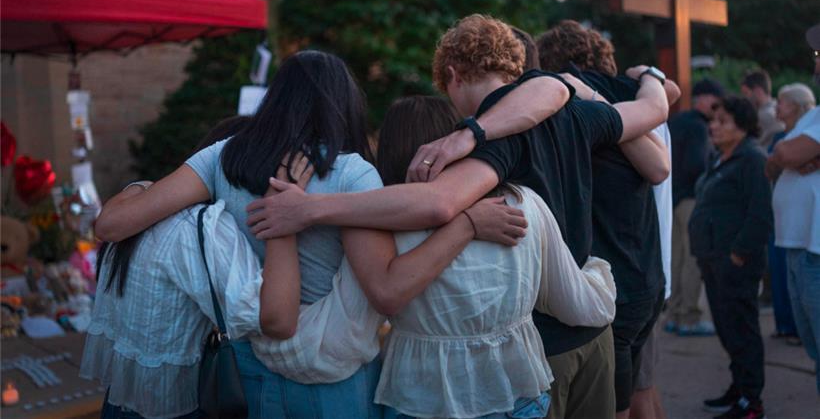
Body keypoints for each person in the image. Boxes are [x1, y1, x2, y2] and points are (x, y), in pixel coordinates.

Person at [93, 49, 568, 418]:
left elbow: (111, 226)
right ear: (344, 106)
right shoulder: (350, 173)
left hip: (244, 368)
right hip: (331, 380)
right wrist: (467, 224)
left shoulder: (222, 157)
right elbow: (387, 288)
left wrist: (142, 186)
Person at [248, 15, 671, 419]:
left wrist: (311, 209)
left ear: (452, 74)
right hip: (592, 334)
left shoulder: (495, 138)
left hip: (546, 342)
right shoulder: (577, 115)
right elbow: (654, 111)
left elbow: (438, 203)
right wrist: (650, 74)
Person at [374, 95, 617, 418]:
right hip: (513, 390)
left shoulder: (380, 220)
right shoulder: (523, 203)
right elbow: (572, 301)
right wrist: (601, 278)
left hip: (418, 395)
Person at [81, 116, 303, 419]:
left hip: (119, 401)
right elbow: (269, 319)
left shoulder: (135, 215)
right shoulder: (202, 227)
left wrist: (141, 186)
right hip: (176, 406)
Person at [537, 20, 678, 419]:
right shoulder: (639, 94)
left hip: (613, 287)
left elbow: (657, 166)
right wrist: (650, 74)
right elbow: (670, 92)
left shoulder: (571, 103)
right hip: (649, 275)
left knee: (615, 407)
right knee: (640, 394)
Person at [689, 96, 772, 419]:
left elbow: (760, 214)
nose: (713, 125)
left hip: (735, 262)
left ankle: (752, 402)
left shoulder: (752, 158)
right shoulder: (722, 157)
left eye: (722, 120)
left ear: (742, 124)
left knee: (742, 330)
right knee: (728, 329)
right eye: (713, 119)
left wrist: (739, 253)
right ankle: (739, 388)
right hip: (713, 259)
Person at [767, 84, 820, 394]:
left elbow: (784, 153)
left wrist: (790, 157)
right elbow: (772, 163)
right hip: (796, 245)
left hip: (814, 249)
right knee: (812, 348)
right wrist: (790, 158)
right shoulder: (813, 116)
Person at [665, 78, 725, 337]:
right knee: (693, 259)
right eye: (716, 100)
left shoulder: (675, 120)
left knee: (676, 258)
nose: (719, 107)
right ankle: (689, 317)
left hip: (671, 197)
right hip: (691, 199)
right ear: (704, 98)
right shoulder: (699, 128)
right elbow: (696, 164)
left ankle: (674, 314)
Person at [741, 70, 785, 149]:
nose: (744, 99)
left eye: (746, 93)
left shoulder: (763, 115)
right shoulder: (776, 107)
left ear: (758, 91)